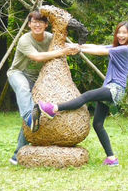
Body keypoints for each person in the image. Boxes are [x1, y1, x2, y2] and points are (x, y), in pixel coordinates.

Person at [36, 21, 128, 167]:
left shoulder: (126, 49)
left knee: (87, 96)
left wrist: (79, 49)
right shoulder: (117, 47)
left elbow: (100, 52)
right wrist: (76, 46)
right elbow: (98, 46)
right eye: (119, 32)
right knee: (97, 124)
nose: (121, 35)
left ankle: (54, 108)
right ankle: (111, 158)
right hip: (110, 87)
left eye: (124, 33)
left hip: (116, 89)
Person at [7, 10, 79, 165]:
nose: (37, 25)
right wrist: (63, 51)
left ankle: (16, 155)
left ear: (46, 25)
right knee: (23, 90)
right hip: (18, 74)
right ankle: (29, 117)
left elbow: (64, 45)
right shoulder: (25, 40)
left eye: (41, 22)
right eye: (34, 22)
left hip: (38, 80)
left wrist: (75, 48)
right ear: (29, 24)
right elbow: (37, 57)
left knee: (37, 116)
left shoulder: (50, 38)